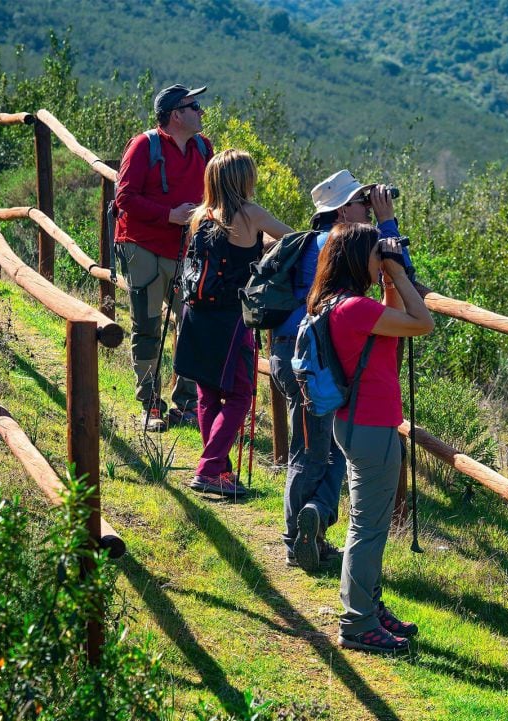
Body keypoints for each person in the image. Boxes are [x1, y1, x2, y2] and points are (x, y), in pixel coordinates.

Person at [270, 171, 408, 572]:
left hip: (300, 353)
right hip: (316, 361)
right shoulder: (335, 243)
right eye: (361, 200)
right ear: (342, 209)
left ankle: (312, 521)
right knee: (313, 452)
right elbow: (403, 275)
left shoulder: (323, 242)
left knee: (325, 450)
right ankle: (298, 537)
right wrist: (387, 224)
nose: (367, 205)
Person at [305, 222, 432, 653]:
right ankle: (358, 624)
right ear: (360, 258)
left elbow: (393, 322)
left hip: (357, 422)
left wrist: (388, 279)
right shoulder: (355, 309)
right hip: (371, 427)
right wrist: (398, 273)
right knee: (368, 529)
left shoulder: (335, 304)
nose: (382, 260)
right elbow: (422, 322)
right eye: (376, 254)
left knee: (368, 524)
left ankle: (369, 607)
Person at [174, 150, 293, 496]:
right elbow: (294, 239)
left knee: (207, 395)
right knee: (240, 394)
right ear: (243, 180)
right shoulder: (249, 213)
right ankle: (210, 470)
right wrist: (264, 245)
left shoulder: (200, 216)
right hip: (231, 320)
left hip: (195, 315)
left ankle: (220, 470)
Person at [115, 83, 211, 432]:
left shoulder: (204, 148)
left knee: (193, 327)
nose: (201, 111)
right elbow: (124, 197)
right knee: (148, 325)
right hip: (143, 246)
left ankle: (186, 404)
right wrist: (169, 215)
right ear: (176, 115)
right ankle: (151, 404)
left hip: (188, 250)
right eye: (194, 105)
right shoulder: (144, 146)